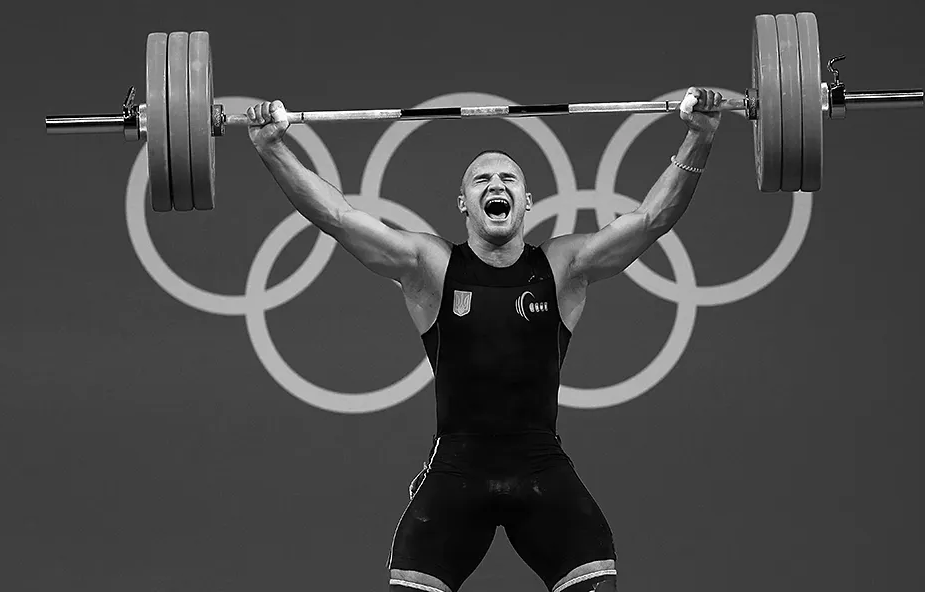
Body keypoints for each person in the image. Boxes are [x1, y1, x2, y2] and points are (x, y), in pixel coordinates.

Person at [245, 87, 723, 592]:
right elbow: (338, 218)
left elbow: (651, 221)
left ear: (527, 202)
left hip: (541, 469)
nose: (496, 185)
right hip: (455, 473)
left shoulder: (563, 267)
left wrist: (700, 136)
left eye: (508, 178)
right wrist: (272, 147)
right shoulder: (431, 267)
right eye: (482, 179)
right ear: (464, 204)